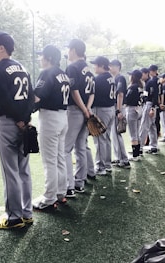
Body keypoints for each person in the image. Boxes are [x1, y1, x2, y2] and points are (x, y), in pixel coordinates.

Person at [0, 32, 34, 228]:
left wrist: (18, 120)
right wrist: (26, 119)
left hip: (8, 122)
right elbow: (32, 97)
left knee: (10, 171)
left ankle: (13, 217)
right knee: (24, 169)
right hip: (23, 122)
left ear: (2, 47)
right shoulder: (23, 68)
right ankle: (27, 213)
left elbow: (4, 98)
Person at [33, 45, 70, 210]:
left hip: (50, 117)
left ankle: (48, 199)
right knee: (59, 158)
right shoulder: (63, 73)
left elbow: (36, 97)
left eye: (41, 56)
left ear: (48, 57)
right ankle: (61, 193)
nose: (40, 58)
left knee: (50, 161)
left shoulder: (48, 72)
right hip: (63, 117)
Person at [65, 39, 95, 196]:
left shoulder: (72, 67)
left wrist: (84, 109)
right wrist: (88, 109)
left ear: (74, 50)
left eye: (69, 49)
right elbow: (92, 93)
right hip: (85, 111)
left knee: (65, 148)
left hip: (75, 110)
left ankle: (68, 186)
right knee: (81, 147)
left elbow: (73, 90)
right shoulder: (88, 69)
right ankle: (79, 183)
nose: (68, 52)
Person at [90, 56, 116, 175]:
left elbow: (92, 94)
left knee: (100, 138)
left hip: (102, 110)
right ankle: (107, 164)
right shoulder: (111, 77)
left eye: (95, 64)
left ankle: (101, 166)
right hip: (110, 109)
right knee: (106, 138)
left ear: (101, 65)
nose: (94, 67)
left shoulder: (99, 78)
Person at [109, 59, 130, 168]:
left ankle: (124, 160)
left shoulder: (119, 77)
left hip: (119, 107)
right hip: (117, 107)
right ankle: (118, 158)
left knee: (117, 134)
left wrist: (118, 110)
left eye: (112, 66)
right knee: (114, 134)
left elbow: (120, 94)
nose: (110, 67)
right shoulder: (114, 78)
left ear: (118, 67)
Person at [138, 65, 161, 154]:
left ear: (150, 72)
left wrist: (152, 108)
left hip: (149, 104)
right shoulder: (155, 80)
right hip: (151, 104)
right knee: (152, 126)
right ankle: (153, 146)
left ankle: (139, 147)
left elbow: (154, 94)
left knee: (144, 126)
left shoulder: (152, 81)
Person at [125, 69, 143, 160]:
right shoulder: (140, 86)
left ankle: (135, 155)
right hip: (139, 109)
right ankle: (139, 152)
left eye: (130, 75)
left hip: (132, 109)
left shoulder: (132, 87)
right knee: (136, 132)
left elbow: (127, 99)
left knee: (133, 134)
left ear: (133, 77)